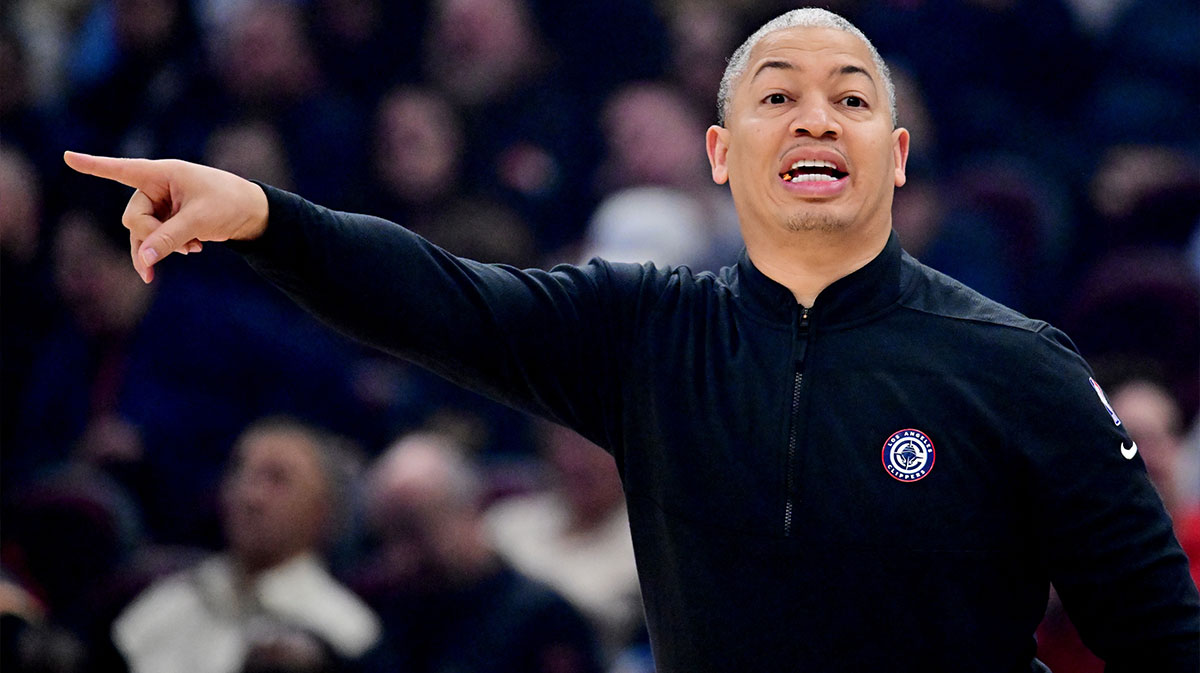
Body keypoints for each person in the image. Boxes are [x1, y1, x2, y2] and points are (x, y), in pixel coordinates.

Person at [64, 7, 1199, 671]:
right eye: (777, 97)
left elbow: (1162, 641)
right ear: (718, 153)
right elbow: (437, 295)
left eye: (853, 98)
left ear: (898, 157)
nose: (814, 116)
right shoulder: (650, 330)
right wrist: (267, 215)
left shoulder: (1018, 365)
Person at [111, 418, 381, 673]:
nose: (251, 496)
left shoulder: (348, 636)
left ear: (324, 512)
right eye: (242, 472)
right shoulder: (163, 600)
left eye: (278, 479)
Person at [351, 431, 602, 673]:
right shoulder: (399, 610)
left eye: (414, 531)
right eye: (388, 537)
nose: (401, 556)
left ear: (467, 511)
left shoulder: (545, 619)